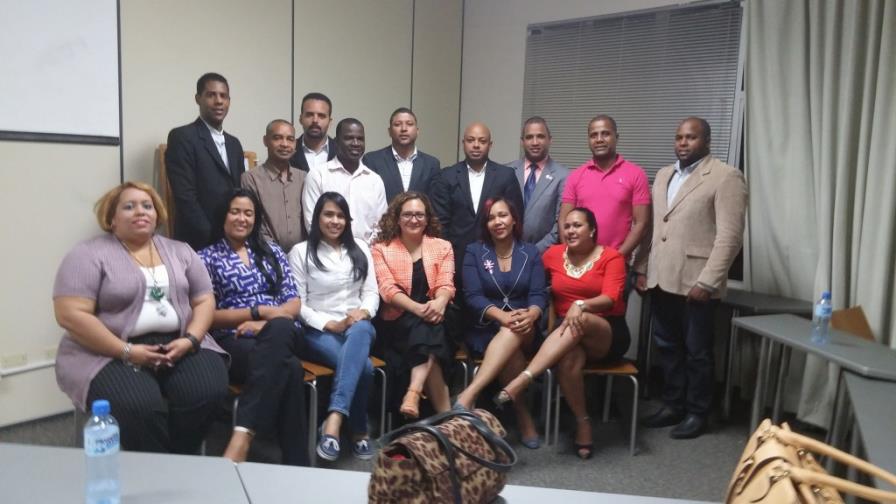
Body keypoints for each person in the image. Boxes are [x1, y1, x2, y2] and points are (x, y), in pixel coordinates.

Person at [53, 181, 229, 454]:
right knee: (140, 406)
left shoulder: (180, 251)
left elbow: (204, 299)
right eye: (129, 206)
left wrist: (192, 340)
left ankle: (178, 458)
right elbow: (70, 314)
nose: (140, 212)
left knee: (208, 390)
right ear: (111, 218)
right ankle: (159, 465)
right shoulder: (88, 254)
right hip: (109, 351)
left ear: (157, 214)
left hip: (180, 343)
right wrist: (127, 351)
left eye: (147, 206)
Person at [635, 117, 747, 439]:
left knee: (698, 351)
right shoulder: (663, 175)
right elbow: (654, 229)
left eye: (691, 138)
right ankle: (673, 404)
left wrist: (708, 282)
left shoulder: (726, 177)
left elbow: (730, 238)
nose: (683, 143)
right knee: (667, 346)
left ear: (706, 141)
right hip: (661, 277)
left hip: (696, 281)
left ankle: (698, 412)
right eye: (679, 137)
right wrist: (642, 268)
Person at [496, 207, 630, 460]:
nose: (570, 230)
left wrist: (581, 305)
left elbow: (611, 298)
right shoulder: (553, 255)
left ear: (592, 230)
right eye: (566, 226)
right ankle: (583, 423)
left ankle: (524, 378)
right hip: (567, 339)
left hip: (604, 331)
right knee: (569, 362)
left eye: (577, 225)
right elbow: (528, 280)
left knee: (579, 320)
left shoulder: (612, 257)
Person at [199, 188, 308, 466]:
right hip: (233, 339)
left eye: (248, 213)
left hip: (277, 331)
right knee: (291, 367)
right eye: (235, 211)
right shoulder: (205, 258)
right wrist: (255, 311)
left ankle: (242, 434)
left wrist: (264, 323)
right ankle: (297, 462)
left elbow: (294, 302)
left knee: (281, 330)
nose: (242, 218)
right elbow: (206, 316)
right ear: (223, 215)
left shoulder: (271, 251)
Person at [288, 192, 379, 461]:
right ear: (317, 218)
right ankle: (359, 429)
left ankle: (334, 420)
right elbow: (298, 304)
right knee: (364, 367)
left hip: (358, 327)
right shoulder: (301, 252)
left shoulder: (361, 248)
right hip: (317, 330)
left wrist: (363, 312)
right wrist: (330, 323)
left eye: (341, 216)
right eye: (329, 214)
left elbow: (372, 292)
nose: (335, 221)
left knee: (362, 328)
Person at [454, 197, 547, 448]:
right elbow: (472, 296)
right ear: (486, 224)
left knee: (513, 331)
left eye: (503, 215)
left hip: (526, 326)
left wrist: (533, 314)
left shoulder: (530, 252)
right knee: (511, 344)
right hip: (485, 328)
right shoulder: (475, 251)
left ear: (514, 219)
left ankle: (468, 394)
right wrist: (503, 316)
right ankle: (523, 414)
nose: (498, 222)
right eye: (492, 217)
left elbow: (539, 294)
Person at [371, 192, 455, 419]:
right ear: (397, 218)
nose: (414, 219)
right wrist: (418, 309)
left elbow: (446, 283)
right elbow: (387, 289)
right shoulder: (381, 248)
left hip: (439, 314)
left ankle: (413, 393)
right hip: (399, 318)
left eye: (419, 214)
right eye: (407, 214)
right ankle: (447, 421)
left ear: (427, 219)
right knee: (429, 334)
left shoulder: (443, 246)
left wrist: (439, 302)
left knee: (430, 327)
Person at [430, 122, 524, 287]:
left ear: (490, 145)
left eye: (482, 141)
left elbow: (516, 218)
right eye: (471, 140)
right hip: (456, 256)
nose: (476, 145)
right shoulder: (447, 176)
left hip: (496, 254)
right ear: (463, 143)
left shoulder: (506, 176)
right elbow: (440, 222)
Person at [166, 72, 246, 250]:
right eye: (211, 95)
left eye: (224, 96)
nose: (219, 101)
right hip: (198, 241)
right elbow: (185, 197)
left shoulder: (235, 144)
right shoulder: (182, 137)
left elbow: (240, 193)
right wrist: (215, 238)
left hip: (233, 240)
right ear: (198, 99)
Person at [558, 115, 650, 261]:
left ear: (616, 137)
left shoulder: (636, 174)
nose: (599, 139)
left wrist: (616, 258)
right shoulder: (576, 175)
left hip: (617, 261)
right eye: (593, 135)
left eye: (605, 134)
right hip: (580, 262)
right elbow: (563, 219)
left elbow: (641, 224)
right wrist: (571, 255)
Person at [301, 118, 387, 243]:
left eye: (360, 139)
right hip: (327, 255)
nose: (355, 143)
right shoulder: (317, 175)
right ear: (336, 142)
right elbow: (311, 222)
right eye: (349, 138)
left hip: (367, 255)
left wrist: (364, 250)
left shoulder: (375, 180)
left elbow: (382, 225)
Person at [241, 119, 306, 252]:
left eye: (290, 139)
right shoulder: (251, 178)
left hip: (302, 258)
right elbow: (254, 223)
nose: (284, 144)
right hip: (266, 255)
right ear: (265, 141)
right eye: (277, 138)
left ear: (295, 143)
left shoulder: (304, 177)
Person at [507, 117, 569, 253]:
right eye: (529, 137)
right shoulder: (507, 171)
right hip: (506, 254)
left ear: (550, 140)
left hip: (543, 256)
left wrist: (533, 253)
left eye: (540, 136)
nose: (535, 142)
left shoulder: (563, 176)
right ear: (522, 142)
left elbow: (560, 224)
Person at [362, 107, 441, 203]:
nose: (404, 129)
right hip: (383, 217)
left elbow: (433, 203)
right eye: (397, 124)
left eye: (409, 124)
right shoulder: (372, 160)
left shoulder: (431, 164)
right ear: (389, 131)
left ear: (417, 131)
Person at [289, 92, 337, 173]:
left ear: (330, 121)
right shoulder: (288, 151)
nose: (315, 120)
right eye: (309, 115)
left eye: (321, 116)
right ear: (301, 119)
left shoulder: (341, 152)